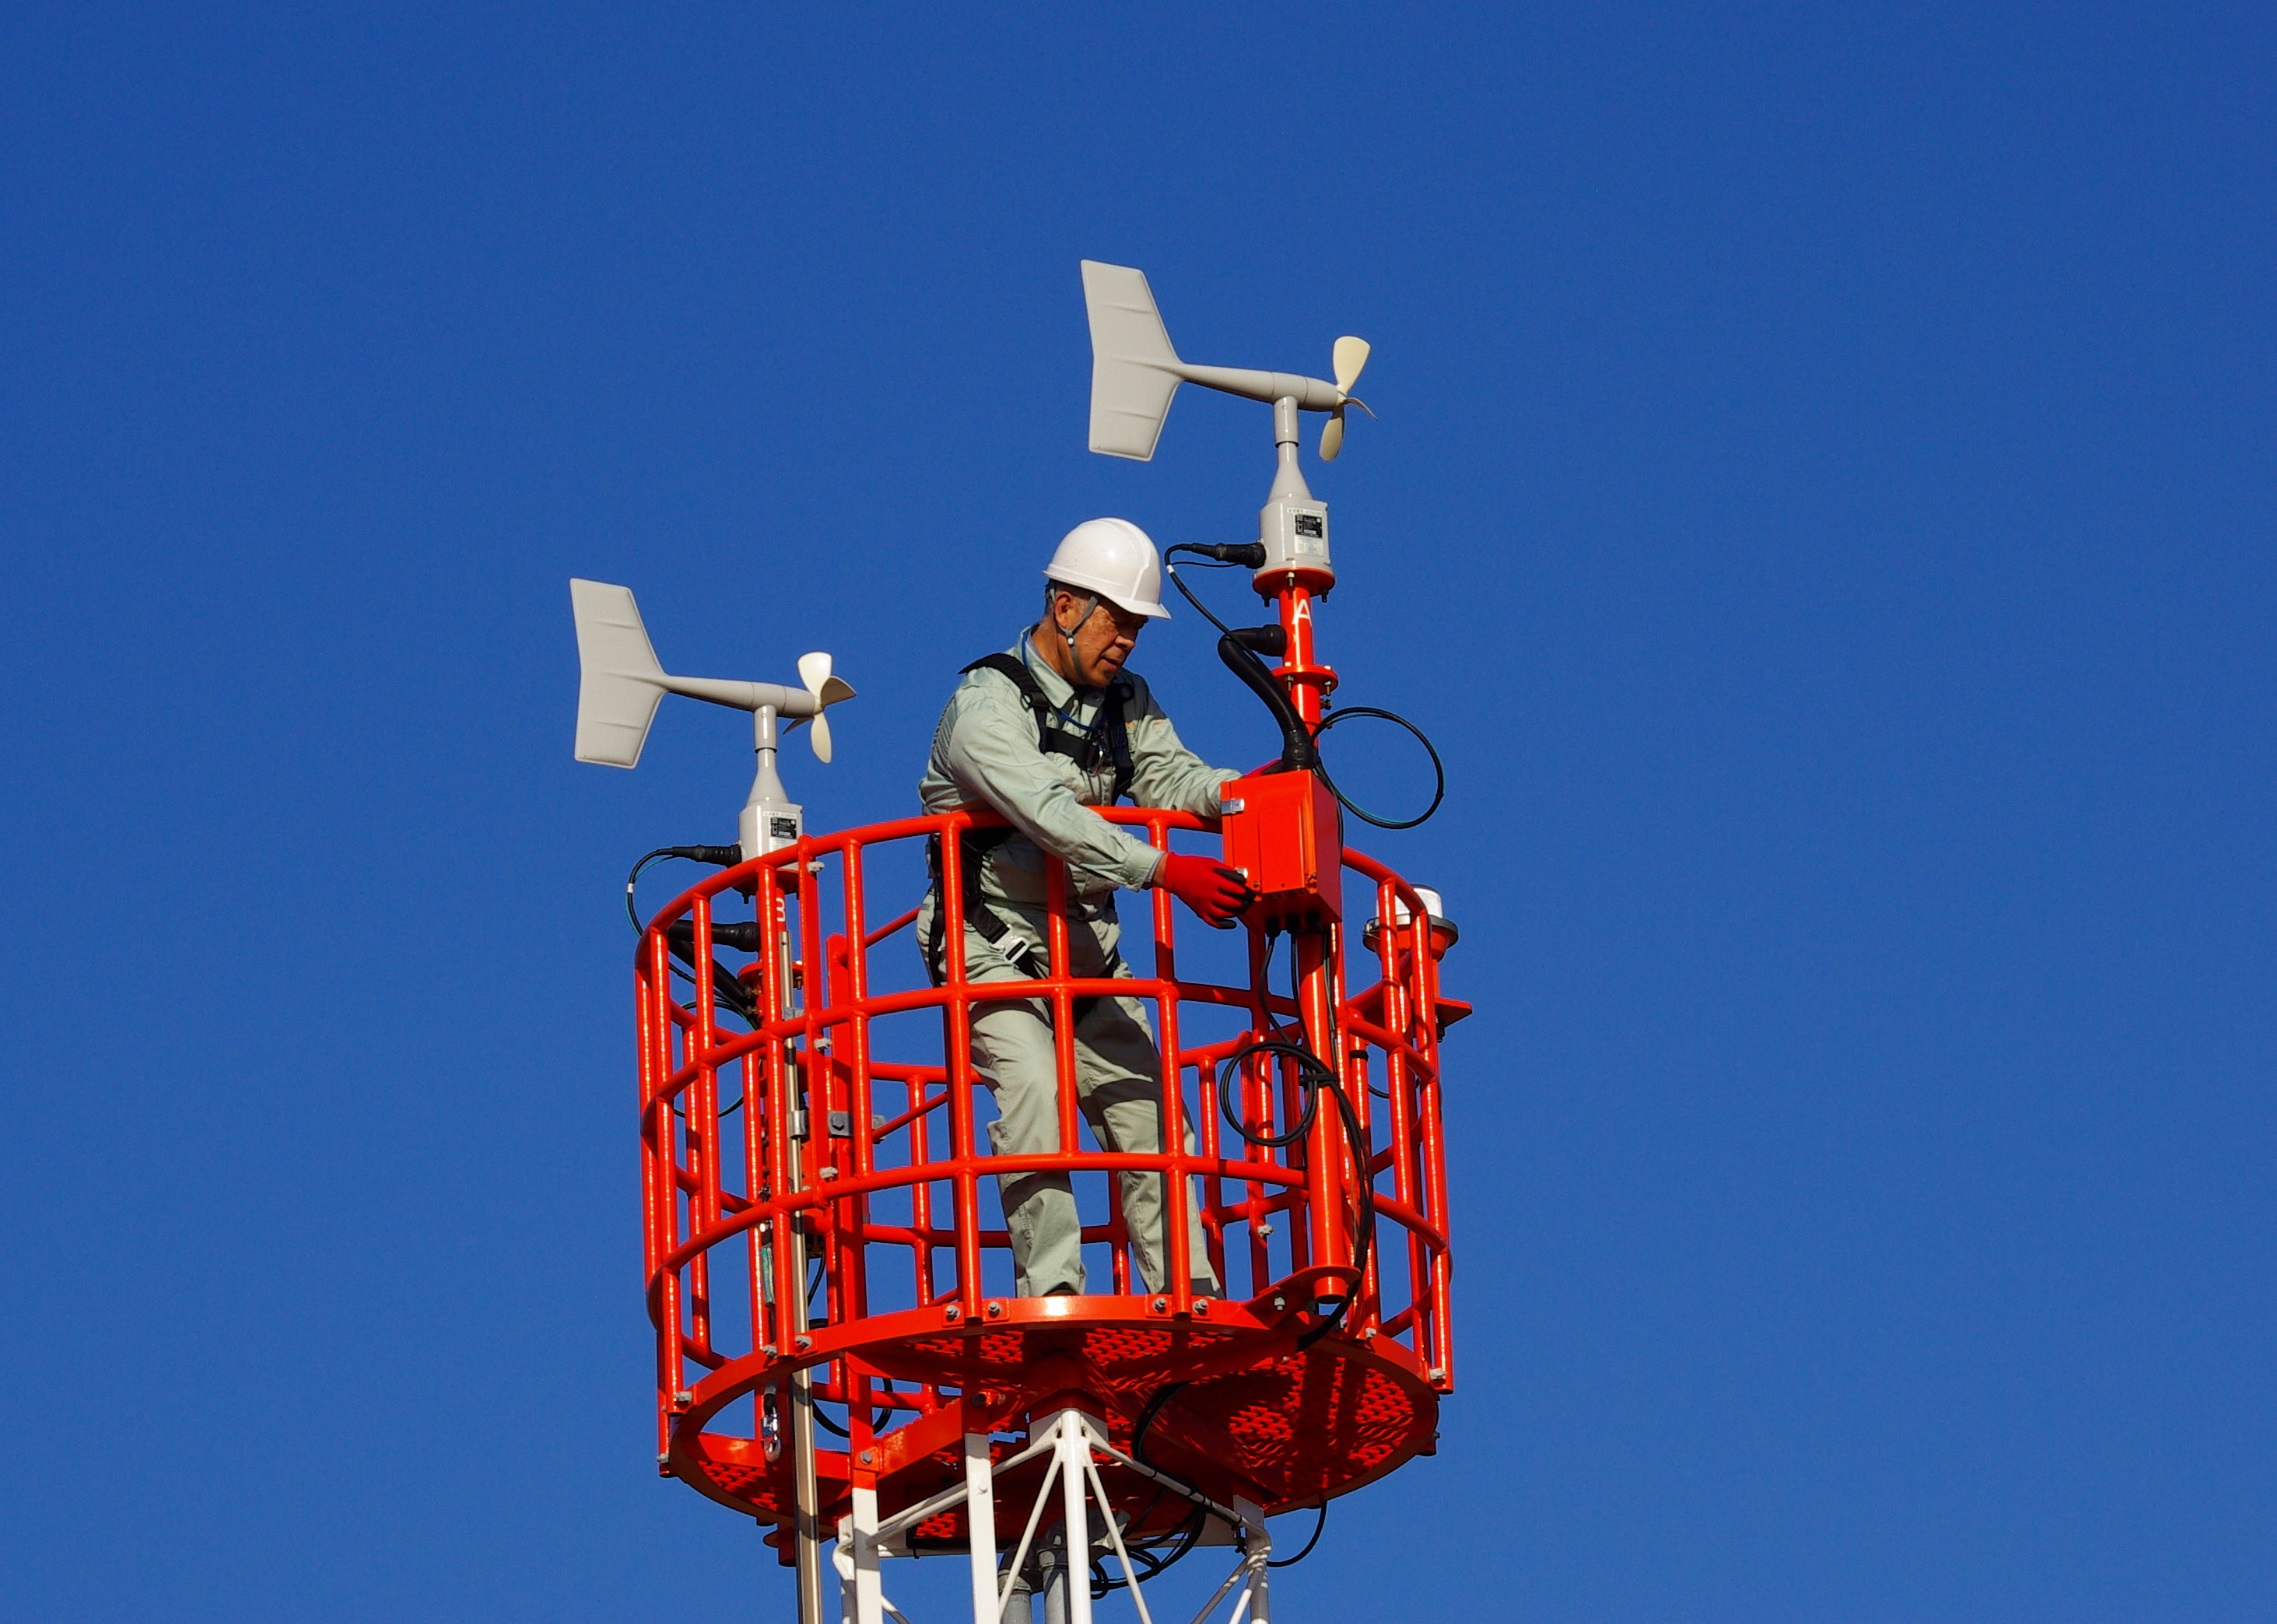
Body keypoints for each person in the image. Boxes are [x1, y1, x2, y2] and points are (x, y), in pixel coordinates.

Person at [917, 517, 1255, 1299]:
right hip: (988, 943)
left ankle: (1188, 1300)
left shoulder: (1123, 699)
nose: (1128, 641)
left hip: (1086, 953)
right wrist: (1166, 872)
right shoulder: (985, 707)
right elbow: (1049, 815)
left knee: (1152, 1116)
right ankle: (1051, 1295)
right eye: (1117, 619)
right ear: (1064, 605)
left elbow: (1169, 776)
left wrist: (1239, 796)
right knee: (1035, 1089)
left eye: (1137, 625)